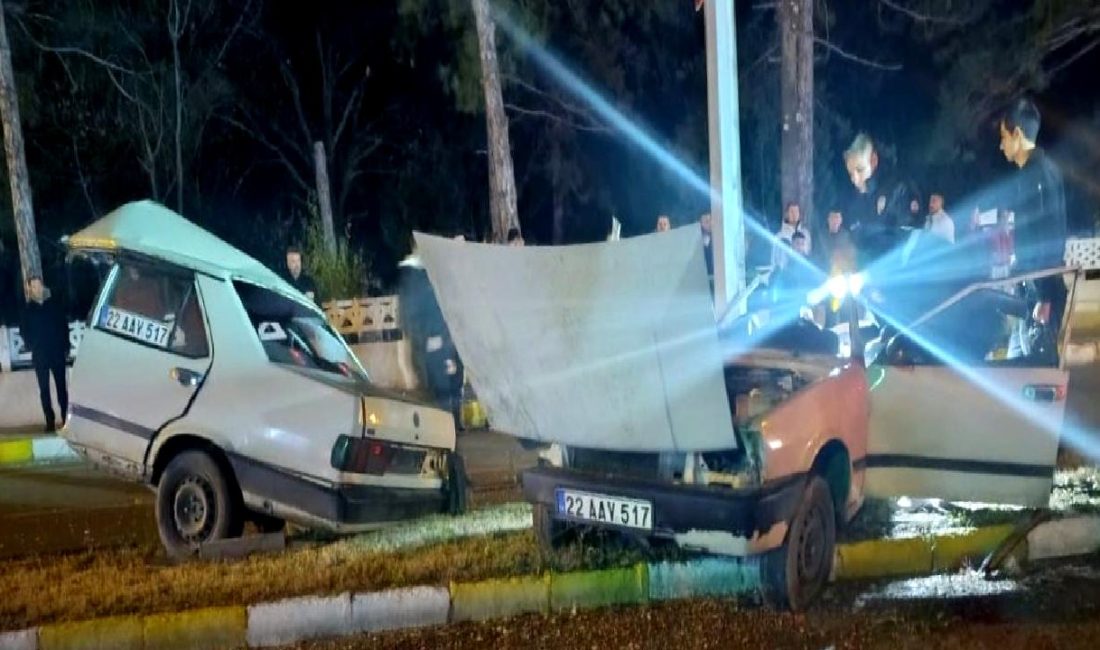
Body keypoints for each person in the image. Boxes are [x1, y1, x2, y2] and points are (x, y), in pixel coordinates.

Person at [998, 97, 1068, 337]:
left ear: (1017, 134)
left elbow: (1048, 237)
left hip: (1041, 295)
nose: (1001, 145)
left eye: (1004, 137)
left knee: (1037, 370)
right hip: (1033, 291)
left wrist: (1043, 297)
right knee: (1020, 369)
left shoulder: (1037, 176)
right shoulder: (1044, 171)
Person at [21, 276, 70, 432]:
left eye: (39, 286)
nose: (37, 289)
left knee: (62, 387)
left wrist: (66, 347)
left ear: (43, 286)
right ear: (30, 289)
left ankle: (65, 419)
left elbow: (63, 326)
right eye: (33, 287)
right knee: (44, 389)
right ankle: (49, 421)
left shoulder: (54, 305)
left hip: (56, 352)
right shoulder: (28, 310)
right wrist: (32, 344)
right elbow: (24, 331)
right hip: (40, 354)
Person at [772, 201, 811, 269]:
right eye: (792, 211)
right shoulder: (780, 236)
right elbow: (774, 260)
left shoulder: (806, 234)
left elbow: (808, 253)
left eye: (796, 212)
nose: (794, 214)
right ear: (787, 214)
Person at [699, 213, 715, 278]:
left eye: (710, 220)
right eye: (706, 221)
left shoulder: (721, 237)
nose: (709, 223)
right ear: (701, 224)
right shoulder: (699, 240)